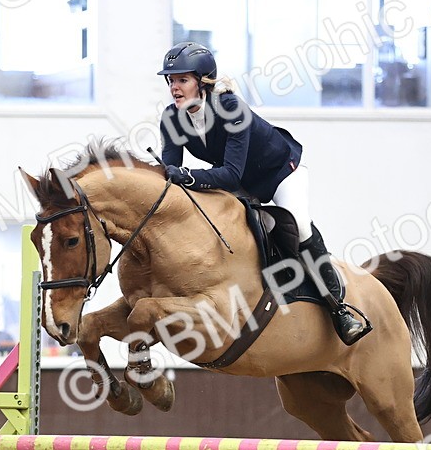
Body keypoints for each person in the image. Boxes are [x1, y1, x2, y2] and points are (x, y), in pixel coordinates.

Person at [157, 41, 371, 345]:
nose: (174, 88)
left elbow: (229, 176)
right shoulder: (172, 119)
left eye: (182, 80)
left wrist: (188, 177)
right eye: (171, 81)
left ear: (203, 82)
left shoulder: (230, 108)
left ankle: (340, 309)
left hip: (280, 172)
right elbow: (171, 174)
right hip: (245, 181)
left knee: (298, 225)